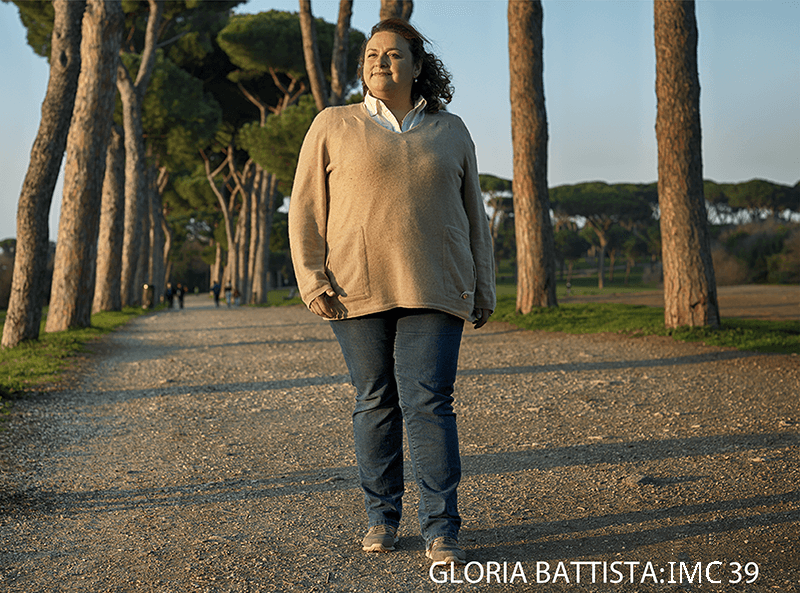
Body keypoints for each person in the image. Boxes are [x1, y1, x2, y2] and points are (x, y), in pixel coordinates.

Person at [289, 18, 495, 566]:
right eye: (372, 55)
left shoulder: (451, 130)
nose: (381, 62)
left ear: (417, 66)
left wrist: (483, 284)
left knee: (428, 402)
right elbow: (306, 210)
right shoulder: (333, 124)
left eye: (394, 55)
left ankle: (441, 527)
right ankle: (382, 516)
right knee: (375, 401)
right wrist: (313, 280)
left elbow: (475, 213)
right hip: (354, 289)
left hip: (437, 286)